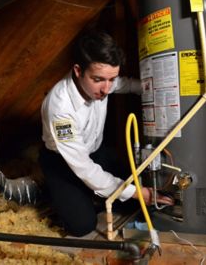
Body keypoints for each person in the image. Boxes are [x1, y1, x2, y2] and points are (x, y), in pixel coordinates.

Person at [39, 30, 173, 237]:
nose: (106, 89)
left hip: (96, 151)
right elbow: (83, 167)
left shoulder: (105, 81)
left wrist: (160, 90)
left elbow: (126, 85)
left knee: (133, 204)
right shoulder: (60, 107)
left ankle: (92, 193)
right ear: (78, 70)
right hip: (63, 162)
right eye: (99, 80)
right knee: (82, 226)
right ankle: (65, 194)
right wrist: (135, 192)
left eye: (112, 79)